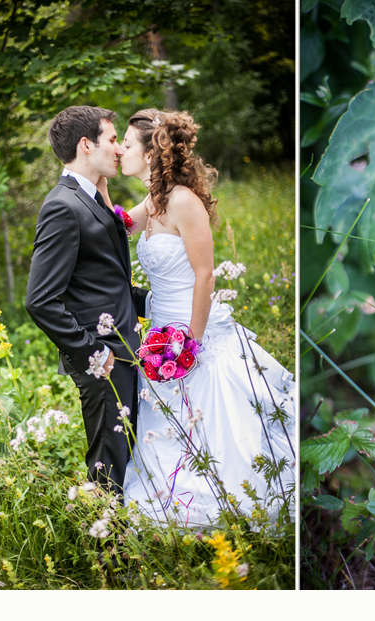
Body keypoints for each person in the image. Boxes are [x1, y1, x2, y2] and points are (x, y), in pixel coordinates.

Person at [117, 108, 295, 526]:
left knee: (215, 420)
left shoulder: (182, 200)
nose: (120, 150)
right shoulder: (153, 199)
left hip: (190, 330)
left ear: (149, 153)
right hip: (159, 327)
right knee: (171, 422)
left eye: (125, 144)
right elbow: (122, 225)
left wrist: (188, 344)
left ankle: (232, 497)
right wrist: (100, 183)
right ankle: (175, 493)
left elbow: (204, 275)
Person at [26, 106, 149, 496]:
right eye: (112, 139)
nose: (118, 149)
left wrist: (165, 302)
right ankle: (107, 556)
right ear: (86, 144)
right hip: (104, 364)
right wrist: (95, 353)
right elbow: (40, 300)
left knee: (129, 463)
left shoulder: (90, 198)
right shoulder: (62, 205)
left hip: (126, 352)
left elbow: (105, 284)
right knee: (109, 469)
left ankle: (129, 549)